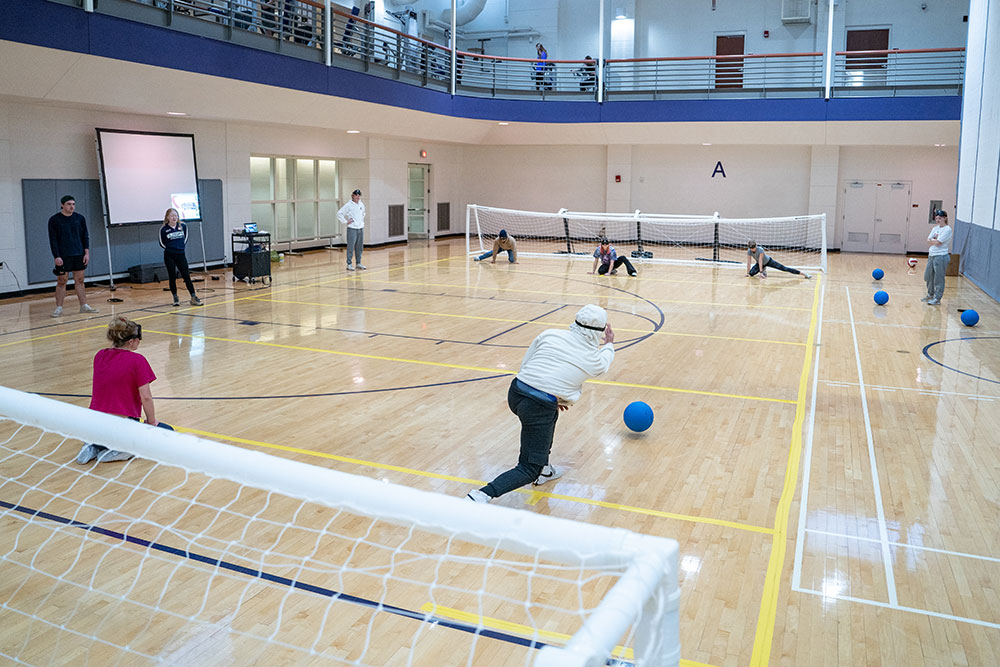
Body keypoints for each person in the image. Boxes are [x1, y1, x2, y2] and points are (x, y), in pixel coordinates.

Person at [466, 305, 615, 503]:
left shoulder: (550, 334)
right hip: (537, 407)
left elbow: (527, 363)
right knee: (528, 469)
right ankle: (481, 495)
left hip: (517, 392)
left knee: (551, 414)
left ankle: (544, 470)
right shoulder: (593, 359)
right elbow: (605, 361)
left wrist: (552, 395)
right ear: (600, 331)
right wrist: (610, 343)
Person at [76, 316, 174, 465]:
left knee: (104, 431)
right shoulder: (137, 361)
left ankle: (92, 446)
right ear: (131, 341)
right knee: (167, 431)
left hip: (94, 424)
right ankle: (119, 451)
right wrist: (152, 422)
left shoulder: (100, 355)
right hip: (121, 425)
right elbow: (145, 396)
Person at [48, 194, 99, 318]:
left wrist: (86, 252)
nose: (72, 207)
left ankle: (84, 305)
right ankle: (59, 308)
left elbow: (85, 236)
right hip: (63, 256)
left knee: (80, 280)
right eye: (69, 204)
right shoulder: (54, 220)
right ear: (62, 205)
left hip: (78, 254)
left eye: (73, 204)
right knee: (62, 281)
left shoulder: (80, 218)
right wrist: (56, 256)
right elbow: (53, 240)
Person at [159, 208, 204, 307]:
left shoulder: (183, 226)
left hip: (181, 254)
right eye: (172, 216)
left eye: (176, 215)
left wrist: (180, 248)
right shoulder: (164, 229)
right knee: (172, 276)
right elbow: (162, 243)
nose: (174, 218)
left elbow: (185, 238)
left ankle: (193, 297)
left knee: (186, 276)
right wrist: (171, 248)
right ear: (167, 217)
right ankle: (175, 297)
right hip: (169, 255)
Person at [922, 209, 952, 305]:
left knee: (938, 278)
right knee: (928, 276)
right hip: (932, 255)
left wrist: (933, 240)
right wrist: (933, 241)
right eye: (936, 218)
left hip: (941, 256)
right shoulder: (935, 229)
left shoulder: (947, 229)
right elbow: (928, 240)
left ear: (945, 218)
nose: (938, 220)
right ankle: (930, 294)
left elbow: (938, 242)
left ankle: (937, 298)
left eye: (940, 218)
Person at [746, 240, 811, 280]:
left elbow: (760, 260)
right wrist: (747, 273)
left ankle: (804, 274)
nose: (753, 250)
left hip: (768, 261)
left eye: (754, 248)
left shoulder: (760, 250)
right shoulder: (749, 251)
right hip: (760, 264)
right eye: (751, 249)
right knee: (751, 274)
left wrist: (761, 272)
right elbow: (749, 262)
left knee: (784, 268)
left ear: (756, 246)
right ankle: (763, 269)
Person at [338, 189, 367, 270]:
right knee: (351, 247)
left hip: (360, 228)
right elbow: (339, 214)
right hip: (352, 229)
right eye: (356, 195)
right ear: (353, 196)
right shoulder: (348, 205)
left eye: (359, 195)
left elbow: (363, 213)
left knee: (359, 247)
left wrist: (361, 221)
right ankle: (349, 263)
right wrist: (346, 221)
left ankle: (358, 263)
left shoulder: (361, 204)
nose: (357, 197)